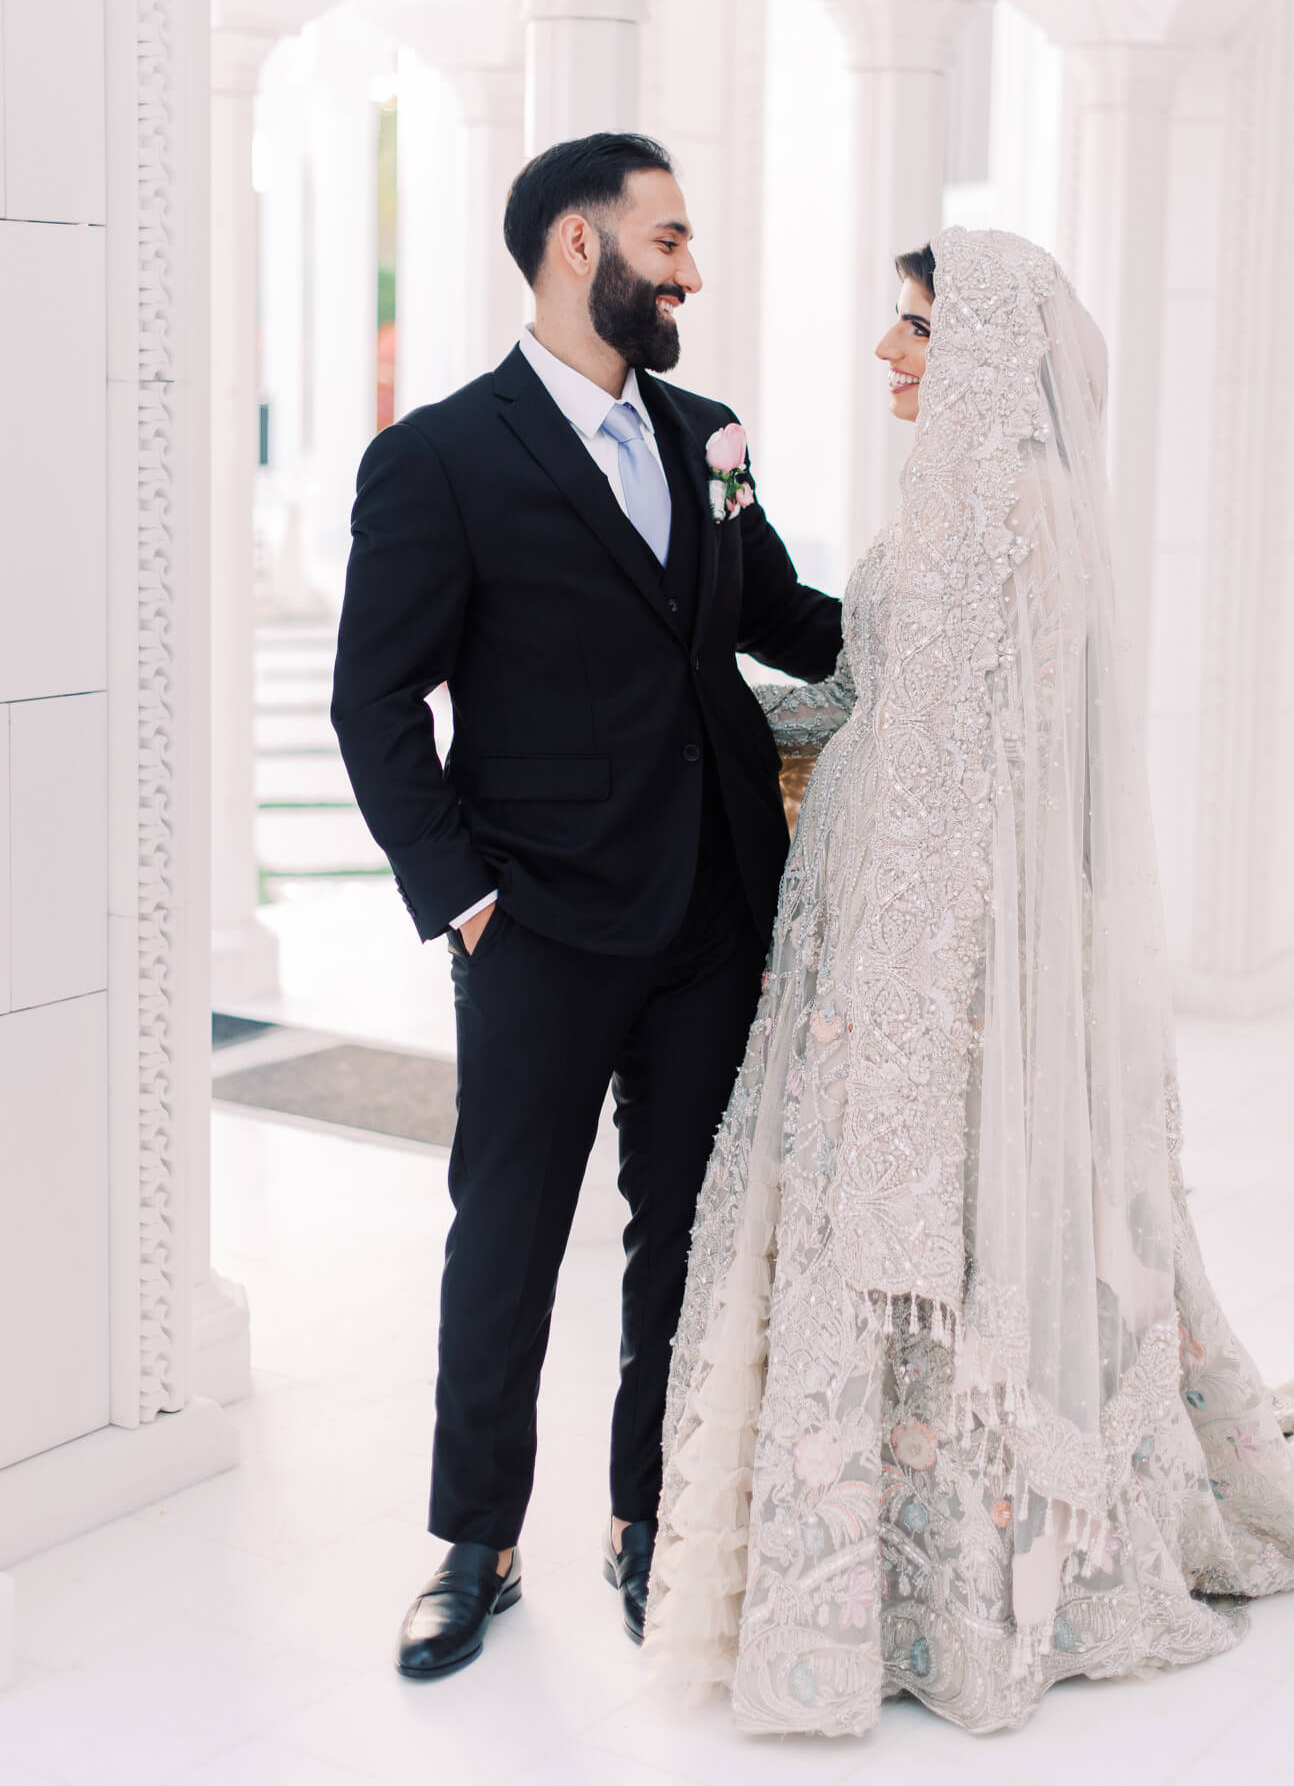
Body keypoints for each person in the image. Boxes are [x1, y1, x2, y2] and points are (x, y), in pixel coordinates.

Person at [645, 226, 1294, 1736]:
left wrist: (903, 997)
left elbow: (959, 769)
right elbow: (911, 705)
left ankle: (937, 1582)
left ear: (988, 349)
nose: (891, 354)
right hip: (914, 927)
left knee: (941, 1228)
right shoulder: (1008, 501)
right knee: (977, 1229)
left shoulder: (991, 510)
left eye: (917, 329)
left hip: (925, 945)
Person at [330, 132, 842, 1679]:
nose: (691, 269)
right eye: (669, 238)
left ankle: (651, 1520)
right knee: (508, 1238)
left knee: (682, 1238)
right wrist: (467, 903)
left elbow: (783, 619)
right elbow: (373, 704)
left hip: (712, 919)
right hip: (539, 928)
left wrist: (944, 591)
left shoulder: (710, 433)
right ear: (577, 246)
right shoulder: (440, 459)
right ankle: (474, 1541)